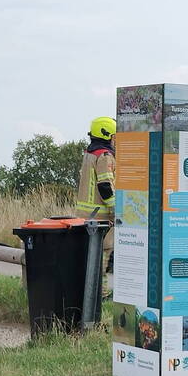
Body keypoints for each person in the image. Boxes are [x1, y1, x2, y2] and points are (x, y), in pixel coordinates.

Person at [75, 116, 117, 276]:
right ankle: (102, 294)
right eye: (114, 136)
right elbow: (105, 186)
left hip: (86, 216)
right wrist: (115, 210)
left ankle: (92, 294)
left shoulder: (89, 154)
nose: (115, 140)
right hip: (100, 217)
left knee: (91, 258)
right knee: (103, 257)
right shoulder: (105, 156)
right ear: (107, 135)